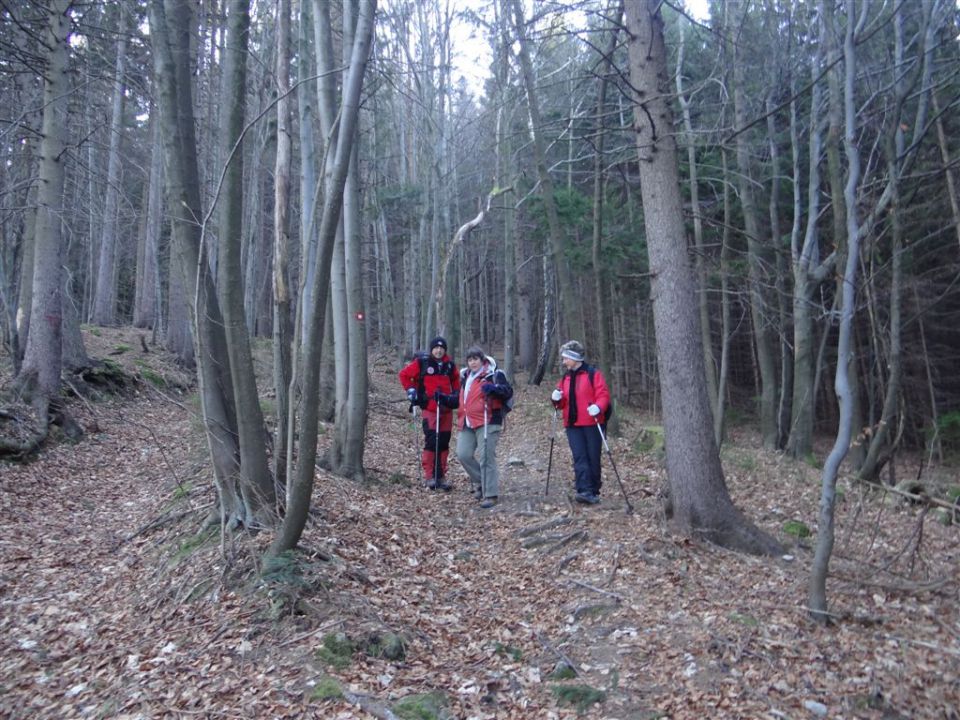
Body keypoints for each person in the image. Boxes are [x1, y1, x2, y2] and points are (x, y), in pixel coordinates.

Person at [444, 346, 513, 509]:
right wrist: (445, 399)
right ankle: (481, 482)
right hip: (467, 420)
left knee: (486, 457)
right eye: (470, 359)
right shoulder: (466, 376)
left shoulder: (494, 374)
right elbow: (460, 399)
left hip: (488, 420)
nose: (473, 362)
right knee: (463, 454)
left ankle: (490, 494)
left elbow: (507, 391)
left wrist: (494, 389)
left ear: (482, 360)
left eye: (475, 359)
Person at [550, 340, 611, 505]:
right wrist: (555, 399)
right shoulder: (566, 378)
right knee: (579, 456)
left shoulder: (593, 374)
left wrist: (598, 407)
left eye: (565, 359)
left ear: (575, 358)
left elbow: (603, 394)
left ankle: (593, 489)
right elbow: (560, 404)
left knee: (592, 456)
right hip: (572, 424)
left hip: (592, 422)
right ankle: (583, 489)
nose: (563, 362)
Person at [399, 336, 460, 490]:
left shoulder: (450, 366)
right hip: (430, 408)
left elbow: (457, 385)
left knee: (444, 442)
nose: (438, 350)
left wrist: (455, 397)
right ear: (431, 349)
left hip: (446, 408)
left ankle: (441, 475)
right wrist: (410, 390)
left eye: (441, 348)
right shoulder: (422, 363)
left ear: (445, 350)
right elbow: (404, 375)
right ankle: (429, 476)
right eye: (436, 348)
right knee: (432, 441)